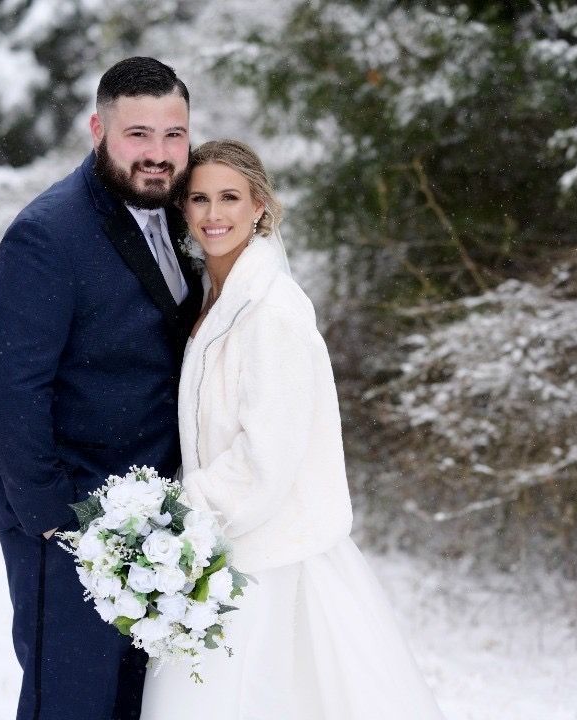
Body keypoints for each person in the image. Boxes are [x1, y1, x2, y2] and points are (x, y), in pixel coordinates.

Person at [139, 139, 445, 719]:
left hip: (269, 559)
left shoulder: (273, 308)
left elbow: (267, 458)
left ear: (260, 206)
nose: (213, 214)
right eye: (199, 199)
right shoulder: (214, 296)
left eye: (230, 197)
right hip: (224, 546)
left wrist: (181, 511)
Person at [0, 57, 203, 720]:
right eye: (138, 135)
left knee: (133, 698)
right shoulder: (49, 233)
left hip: (150, 513)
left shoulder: (183, 213)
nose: (158, 154)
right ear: (98, 128)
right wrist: (53, 523)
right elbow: (11, 386)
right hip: (64, 512)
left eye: (174, 134)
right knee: (72, 702)